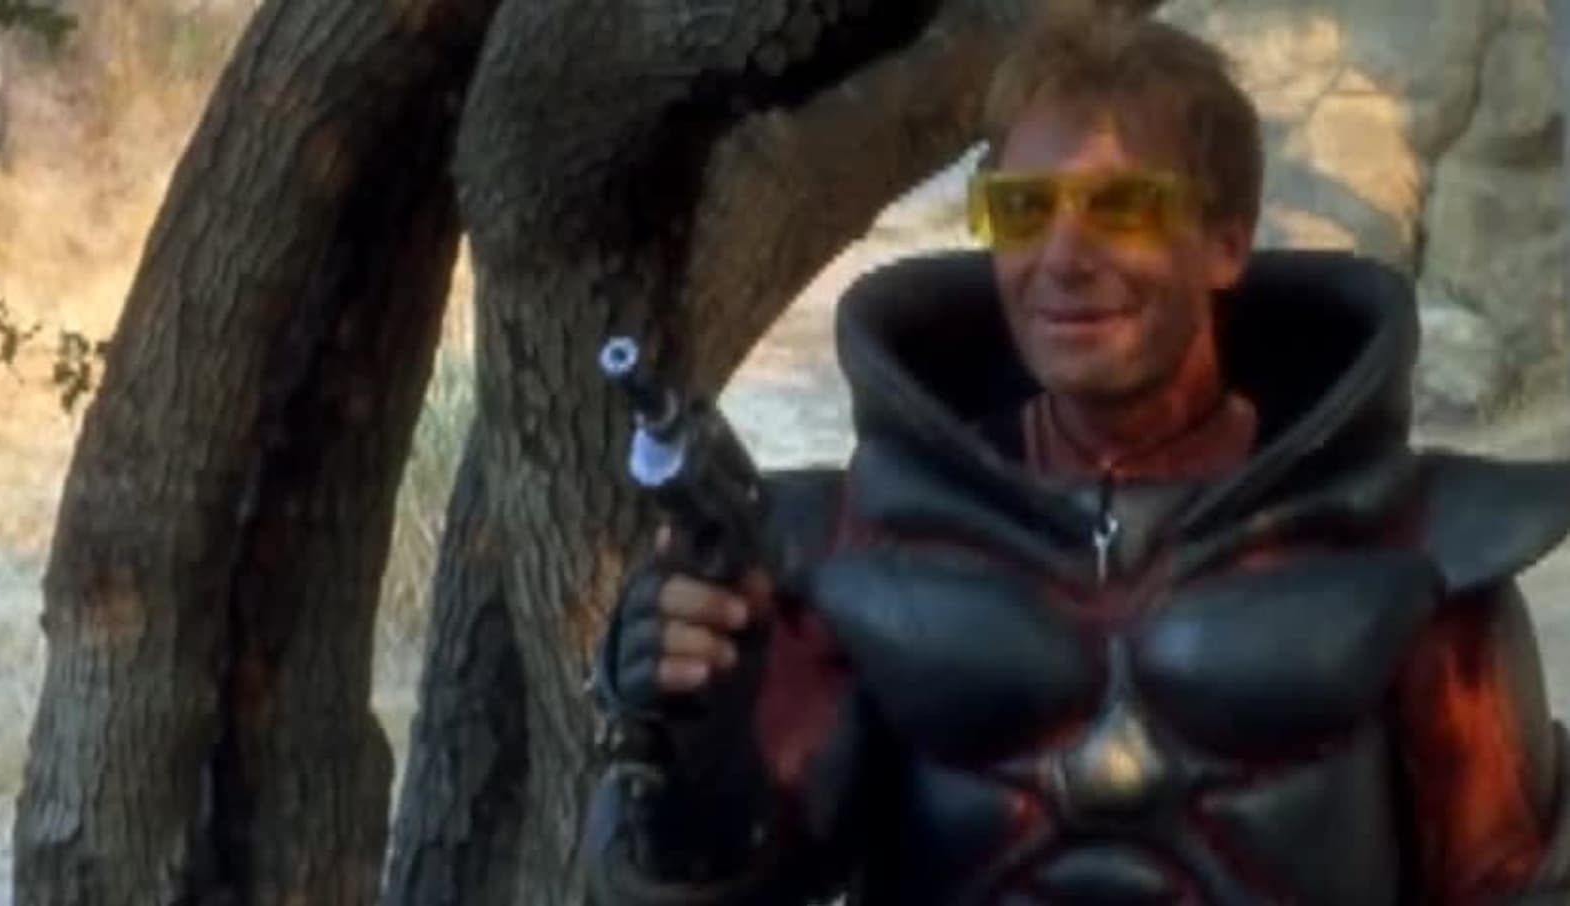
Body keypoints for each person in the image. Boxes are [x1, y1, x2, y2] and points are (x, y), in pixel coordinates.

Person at [582, 5, 1570, 904]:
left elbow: (1514, 881)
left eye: (1122, 206)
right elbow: (714, 881)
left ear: (1225, 243)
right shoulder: (850, 544)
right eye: (1022, 210)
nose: (1062, 257)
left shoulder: (1409, 548)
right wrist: (690, 746)